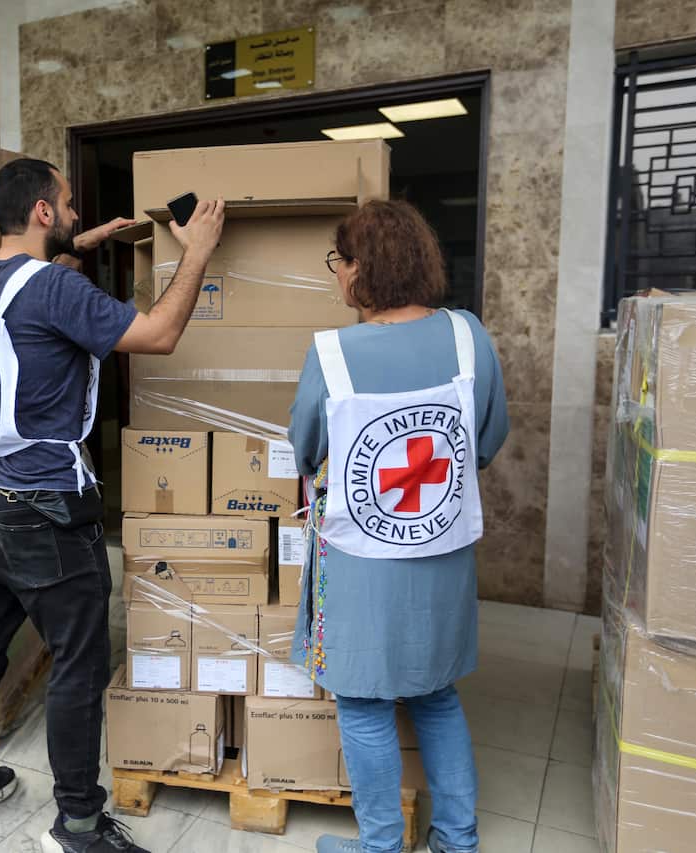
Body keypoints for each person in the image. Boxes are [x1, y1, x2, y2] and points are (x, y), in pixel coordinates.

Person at [0, 157, 226, 853]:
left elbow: (36, 284)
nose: (73, 211)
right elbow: (157, 334)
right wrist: (199, 254)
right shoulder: (53, 292)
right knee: (79, 660)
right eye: (66, 203)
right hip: (46, 507)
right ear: (43, 211)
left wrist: (80, 241)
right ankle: (77, 824)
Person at [287, 200, 509, 853]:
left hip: (362, 560)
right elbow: (487, 437)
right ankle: (456, 840)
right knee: (436, 691)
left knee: (362, 700)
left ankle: (381, 845)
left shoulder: (333, 351)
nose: (336, 275)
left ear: (362, 269)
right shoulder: (470, 335)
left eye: (339, 261)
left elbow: (305, 443)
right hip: (440, 547)